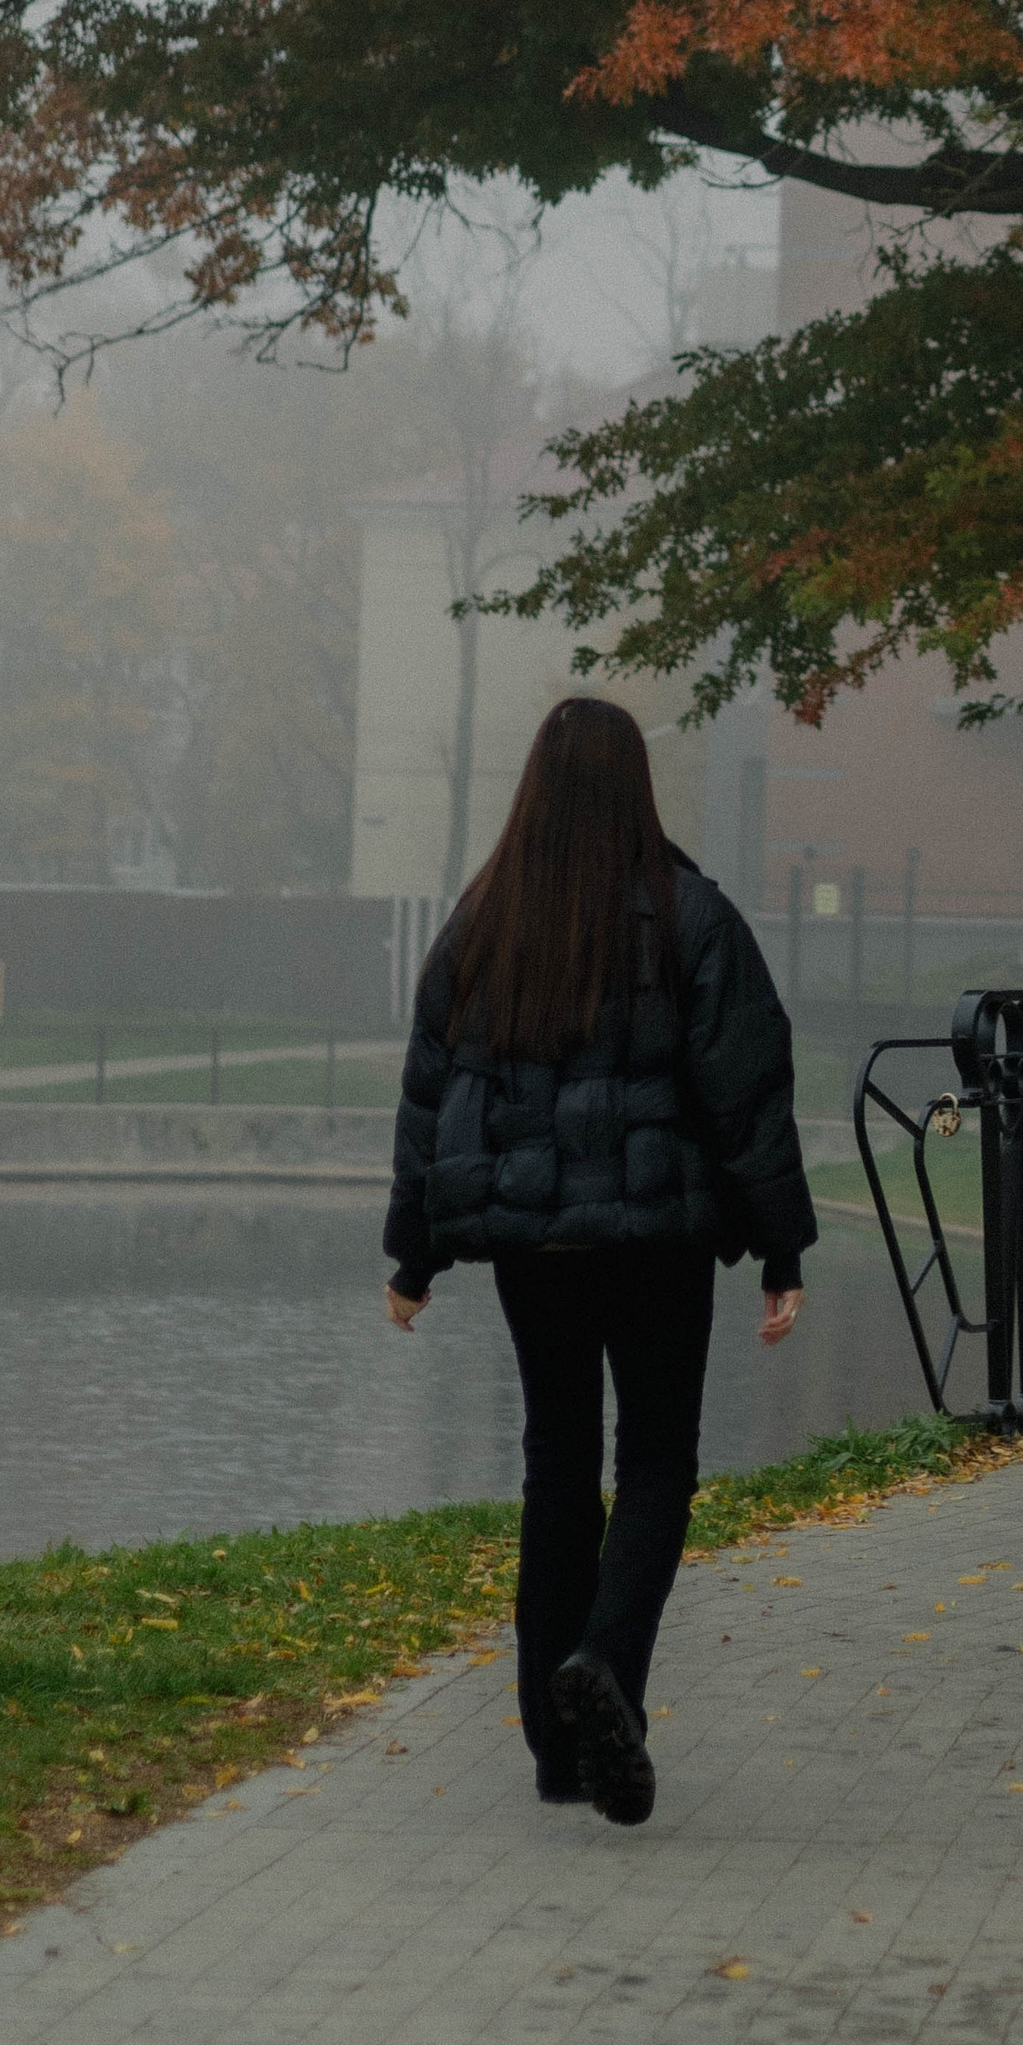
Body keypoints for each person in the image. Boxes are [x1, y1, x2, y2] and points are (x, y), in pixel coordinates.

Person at [381, 696, 815, 1824]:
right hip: (660, 1238)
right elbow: (747, 1083)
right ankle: (609, 1667)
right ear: (636, 785)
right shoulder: (692, 912)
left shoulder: (483, 919)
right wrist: (780, 1240)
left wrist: (413, 1252)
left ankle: (551, 1740)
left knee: (557, 1465)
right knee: (659, 1457)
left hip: (537, 1245)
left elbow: (431, 1092)